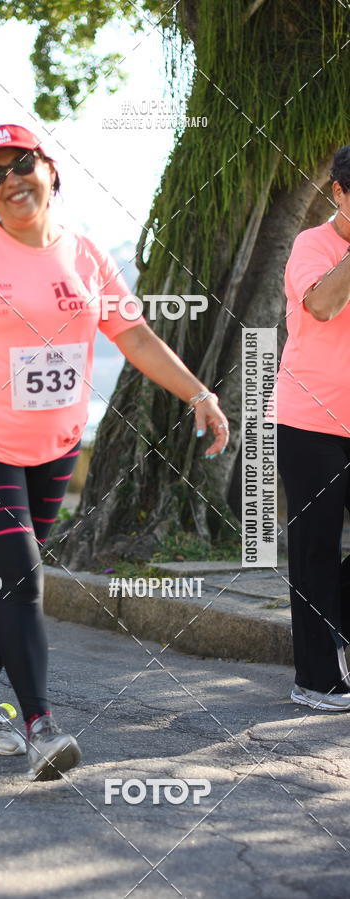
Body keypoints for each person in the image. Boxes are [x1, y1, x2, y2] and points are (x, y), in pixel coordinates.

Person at [0, 123, 229, 780]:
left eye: (20, 164)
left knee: (6, 578)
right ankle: (39, 726)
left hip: (54, 448)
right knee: (22, 571)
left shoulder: (86, 255)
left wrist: (199, 392)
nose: (9, 181)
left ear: (49, 168)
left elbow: (135, 337)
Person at [276, 144, 350, 711]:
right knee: (315, 549)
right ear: (339, 192)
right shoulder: (312, 246)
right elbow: (322, 305)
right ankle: (316, 679)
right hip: (313, 425)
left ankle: (338, 623)